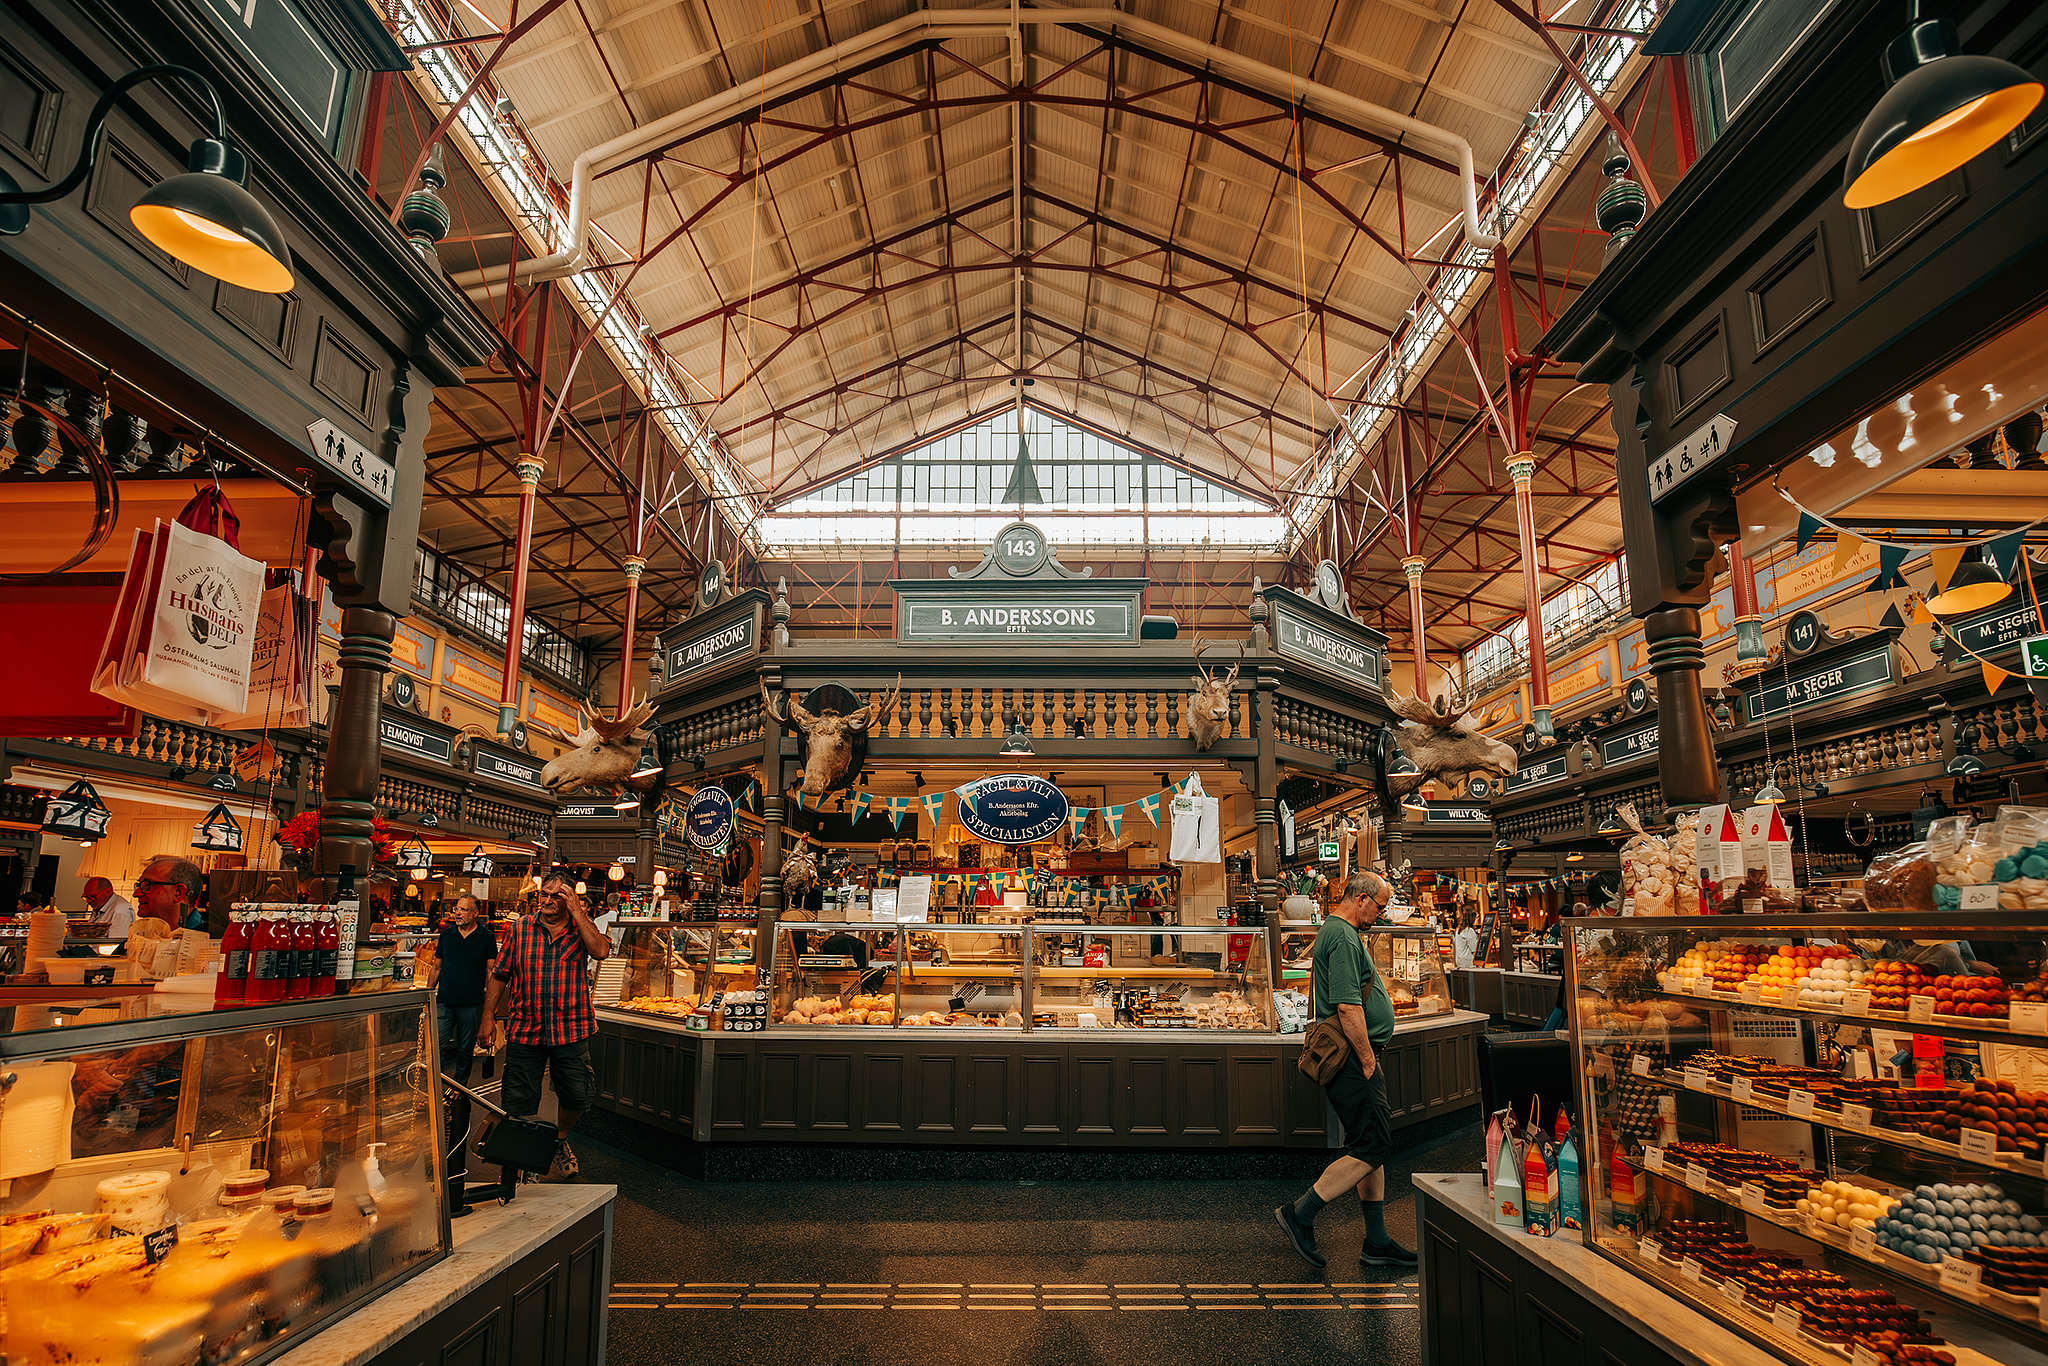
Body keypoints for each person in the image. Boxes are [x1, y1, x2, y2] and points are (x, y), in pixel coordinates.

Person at [1275, 870, 1417, 1271]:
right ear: (1361, 898)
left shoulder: (1344, 933)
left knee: (1367, 1145)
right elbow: (1347, 1005)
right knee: (1375, 1146)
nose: (1382, 913)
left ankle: (1377, 1241)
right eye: (1381, 906)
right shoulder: (1340, 934)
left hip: (1358, 1055)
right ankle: (1300, 1213)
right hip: (1355, 1058)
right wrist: (1369, 1061)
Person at [479, 872, 610, 1179]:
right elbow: (500, 974)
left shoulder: (581, 928)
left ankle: (559, 1142)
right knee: (518, 1100)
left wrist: (578, 912)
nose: (548, 901)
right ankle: (527, 1158)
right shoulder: (520, 928)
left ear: (569, 899)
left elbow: (601, 951)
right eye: (544, 895)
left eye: (557, 896)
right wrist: (488, 1017)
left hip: (571, 1028)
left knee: (578, 1095)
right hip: (526, 1028)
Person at [429, 895, 497, 1083]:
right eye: (456, 909)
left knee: (465, 1050)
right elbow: (436, 967)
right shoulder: (446, 935)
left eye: (463, 910)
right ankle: (436, 1089)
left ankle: (458, 1091)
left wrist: (491, 1003)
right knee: (437, 1047)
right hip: (444, 1001)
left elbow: (490, 971)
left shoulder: (487, 937)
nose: (457, 913)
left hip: (472, 1004)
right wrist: (426, 994)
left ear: (475, 913)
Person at [133, 856, 204, 931]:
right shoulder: (140, 936)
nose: (136, 894)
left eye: (147, 885)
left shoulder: (203, 940)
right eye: (139, 885)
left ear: (178, 892)